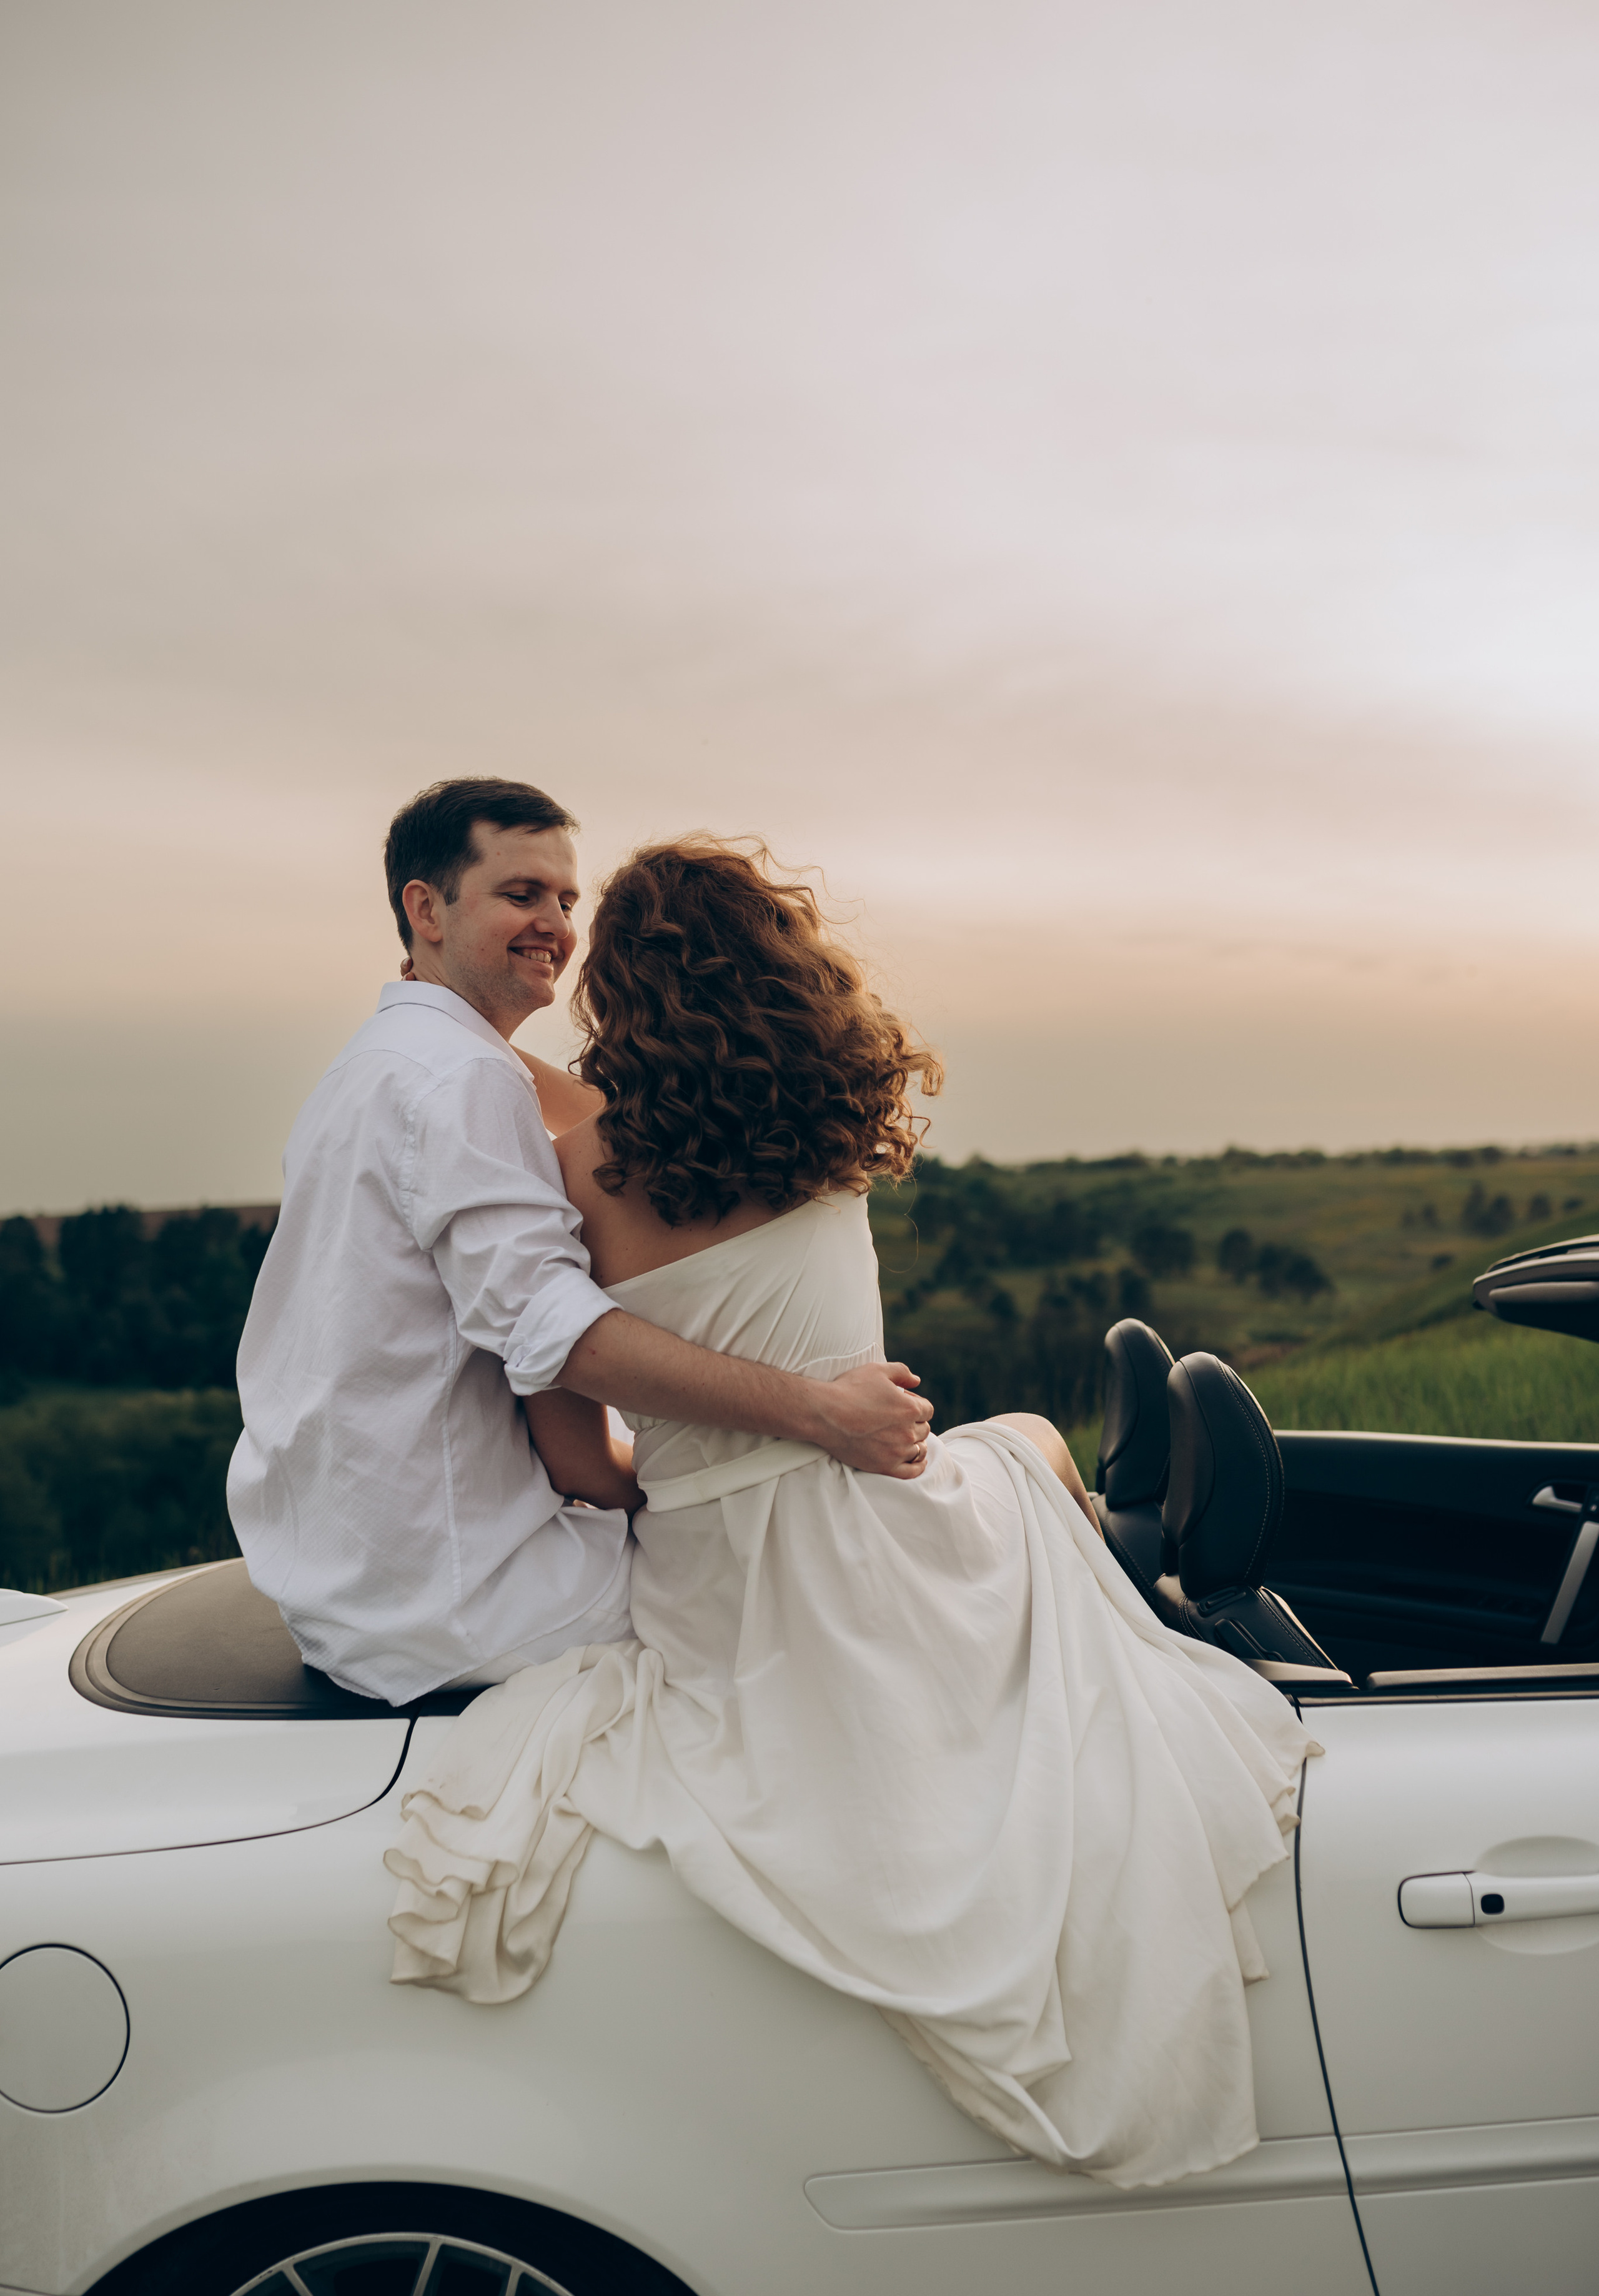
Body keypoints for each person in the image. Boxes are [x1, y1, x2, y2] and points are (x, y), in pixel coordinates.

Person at [385, 837, 1318, 2190]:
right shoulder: (824, 1131)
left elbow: (583, 1467)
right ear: (786, 975)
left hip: (719, 1581)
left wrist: (697, 1478)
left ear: (620, 994)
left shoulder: (577, 1170)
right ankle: (1137, 1596)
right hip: (879, 1511)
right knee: (1025, 1442)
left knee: (1010, 1453)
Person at [227, 782, 933, 1706]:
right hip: (464, 1598)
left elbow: (584, 1119)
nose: (555, 924)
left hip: (350, 1577)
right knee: (823, 1599)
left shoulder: (388, 1059)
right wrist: (819, 1413)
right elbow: (561, 1338)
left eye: (567, 901)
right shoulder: (461, 1083)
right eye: (522, 894)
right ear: (424, 909)